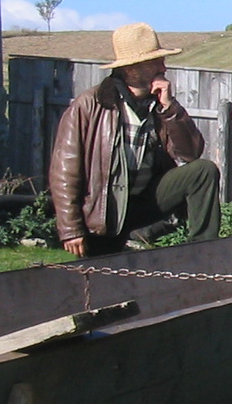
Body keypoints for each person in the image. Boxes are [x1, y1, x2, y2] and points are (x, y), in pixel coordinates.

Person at [50, 22, 221, 257]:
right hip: (105, 214)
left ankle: (202, 255)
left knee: (203, 171)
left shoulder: (160, 105)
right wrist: (70, 229)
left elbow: (191, 153)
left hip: (144, 203)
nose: (164, 67)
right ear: (130, 69)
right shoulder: (91, 104)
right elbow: (64, 172)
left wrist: (170, 109)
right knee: (104, 282)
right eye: (155, 62)